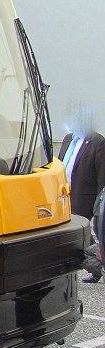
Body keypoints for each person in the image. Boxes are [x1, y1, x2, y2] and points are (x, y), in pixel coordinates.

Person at [59, 104, 105, 283]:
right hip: (64, 195)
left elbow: (101, 177)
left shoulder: (97, 142)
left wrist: (98, 205)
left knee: (81, 233)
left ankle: (96, 265)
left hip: (84, 197)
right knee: (76, 234)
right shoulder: (68, 139)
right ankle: (96, 265)